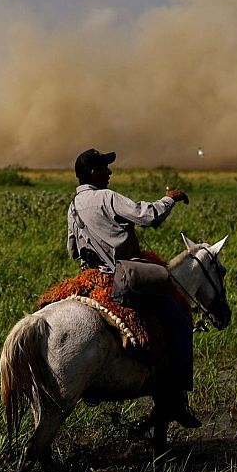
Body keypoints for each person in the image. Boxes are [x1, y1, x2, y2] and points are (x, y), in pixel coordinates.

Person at [66, 148, 201, 428]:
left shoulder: (74, 206)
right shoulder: (107, 197)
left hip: (92, 279)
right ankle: (177, 397)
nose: (110, 172)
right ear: (94, 173)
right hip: (121, 277)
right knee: (179, 319)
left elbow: (72, 249)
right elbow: (148, 215)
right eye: (105, 168)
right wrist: (169, 198)